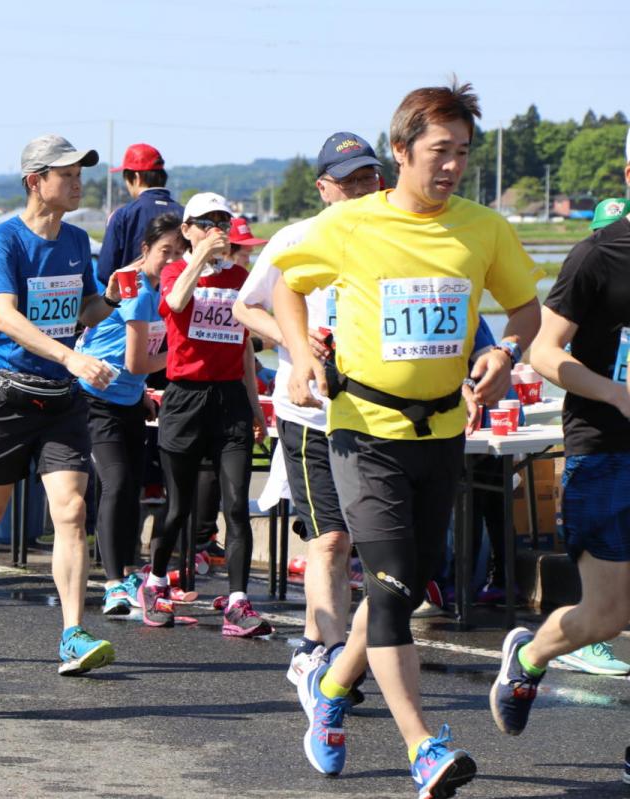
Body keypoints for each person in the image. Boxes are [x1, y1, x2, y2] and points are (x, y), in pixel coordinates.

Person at [273, 81, 539, 795]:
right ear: (400, 151)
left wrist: (503, 355)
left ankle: (329, 686)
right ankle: (424, 745)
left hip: (443, 432)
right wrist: (302, 356)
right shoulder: (353, 224)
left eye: (462, 153)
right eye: (438, 151)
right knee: (390, 584)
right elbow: (284, 287)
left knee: (407, 586)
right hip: (364, 433)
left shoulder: (483, 227)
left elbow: (525, 308)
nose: (451, 166)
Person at [0, 134, 120, 674]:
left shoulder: (75, 239)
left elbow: (83, 310)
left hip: (62, 401)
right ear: (35, 181)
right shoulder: (5, 241)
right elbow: (7, 318)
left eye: (79, 175)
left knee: (71, 510)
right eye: (66, 175)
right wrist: (71, 359)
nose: (77, 184)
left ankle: (72, 632)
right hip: (8, 394)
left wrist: (112, 295)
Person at [489, 160, 630, 769]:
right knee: (607, 614)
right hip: (606, 447)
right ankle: (528, 657)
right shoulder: (596, 256)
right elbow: (545, 350)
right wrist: (616, 393)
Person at [234, 132, 383, 685]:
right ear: (324, 189)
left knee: (369, 543)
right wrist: (297, 349)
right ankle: (333, 658)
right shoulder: (296, 239)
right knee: (331, 538)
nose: (360, 190)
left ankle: (314, 642)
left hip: (375, 418)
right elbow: (247, 309)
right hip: (310, 415)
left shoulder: (394, 240)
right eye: (347, 183)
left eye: (368, 178)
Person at [146, 195, 269, 632]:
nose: (216, 228)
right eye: (206, 222)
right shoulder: (176, 270)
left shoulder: (240, 277)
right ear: (188, 228)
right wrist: (198, 258)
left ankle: (238, 602)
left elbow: (246, 351)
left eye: (222, 220)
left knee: (235, 505)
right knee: (178, 508)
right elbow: (176, 304)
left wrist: (255, 408)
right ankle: (156, 581)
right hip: (184, 397)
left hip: (229, 399)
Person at [78, 213, 180, 614]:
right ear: (145, 250)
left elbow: (137, 368)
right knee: (117, 484)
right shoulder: (135, 287)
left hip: (129, 399)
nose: (170, 259)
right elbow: (139, 361)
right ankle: (114, 582)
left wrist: (140, 394)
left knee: (131, 489)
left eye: (178, 252)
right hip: (94, 396)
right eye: (163, 251)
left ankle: (123, 570)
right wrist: (185, 357)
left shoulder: (163, 286)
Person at [96, 143, 184, 286]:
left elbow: (105, 272)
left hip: (131, 300)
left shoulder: (122, 215)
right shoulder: (187, 214)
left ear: (136, 177)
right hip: (174, 301)